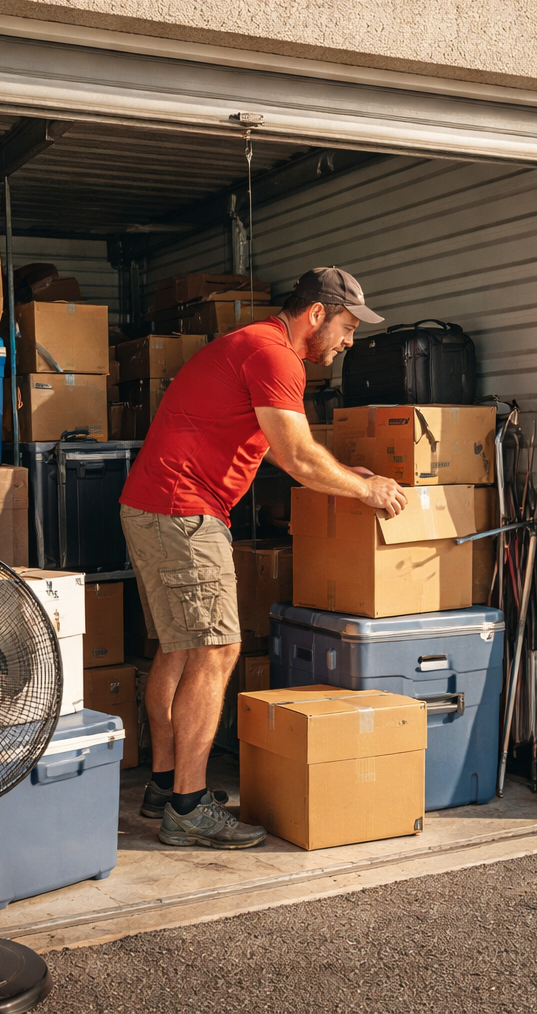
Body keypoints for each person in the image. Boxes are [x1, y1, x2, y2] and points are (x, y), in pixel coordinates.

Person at [119, 267, 408, 849]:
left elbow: (277, 448)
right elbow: (299, 457)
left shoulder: (253, 347)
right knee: (217, 648)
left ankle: (164, 785)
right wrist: (367, 490)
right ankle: (188, 806)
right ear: (317, 314)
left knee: (179, 648)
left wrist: (346, 473)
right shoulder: (275, 356)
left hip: (155, 506)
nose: (349, 341)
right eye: (347, 327)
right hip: (184, 511)